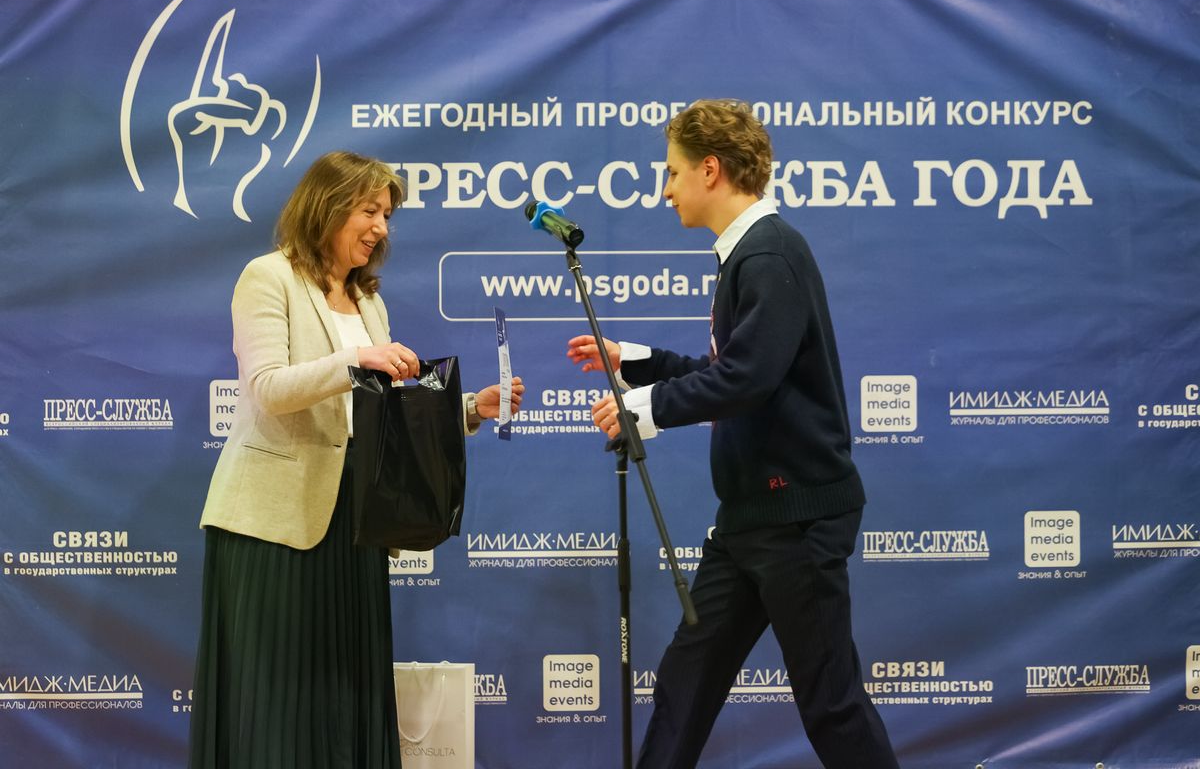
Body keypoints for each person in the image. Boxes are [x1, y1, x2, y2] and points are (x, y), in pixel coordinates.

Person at [567, 100, 899, 768]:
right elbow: (734, 369)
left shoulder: (769, 253)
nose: (665, 190)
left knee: (831, 706)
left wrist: (644, 409)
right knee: (685, 684)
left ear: (710, 170)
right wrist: (637, 363)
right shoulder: (747, 254)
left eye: (672, 172)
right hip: (749, 522)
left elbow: (748, 379)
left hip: (798, 520)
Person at [189, 150, 523, 769]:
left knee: (345, 695)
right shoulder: (267, 277)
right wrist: (355, 362)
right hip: (276, 525)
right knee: (278, 698)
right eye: (370, 210)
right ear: (327, 206)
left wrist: (470, 409)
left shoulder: (370, 303)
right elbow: (267, 388)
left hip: (357, 520)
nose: (381, 227)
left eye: (387, 215)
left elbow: (380, 417)